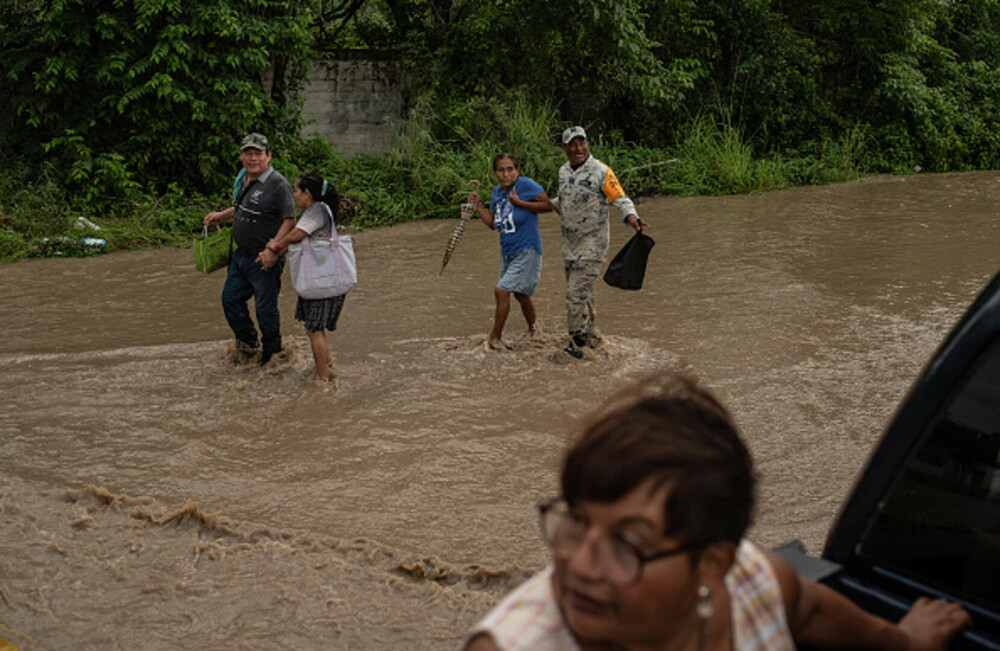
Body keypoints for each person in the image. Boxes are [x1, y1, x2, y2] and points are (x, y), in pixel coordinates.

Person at [464, 370, 971, 650]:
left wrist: (907, 642)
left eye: (628, 544)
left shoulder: (758, 581)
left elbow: (815, 611)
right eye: (577, 522)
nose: (577, 563)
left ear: (712, 564)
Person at [552, 126, 650, 359]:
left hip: (592, 245)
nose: (578, 148)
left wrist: (633, 219)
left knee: (574, 294)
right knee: (584, 294)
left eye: (581, 143)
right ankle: (592, 336)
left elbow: (620, 198)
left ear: (587, 144)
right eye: (572, 144)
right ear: (565, 148)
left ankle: (577, 344)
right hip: (569, 245)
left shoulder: (601, 171)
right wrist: (527, 203)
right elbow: (561, 201)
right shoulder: (564, 172)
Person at [204, 133, 296, 366]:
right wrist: (221, 216)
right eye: (248, 153)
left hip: (263, 259)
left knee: (265, 310)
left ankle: (273, 355)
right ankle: (249, 345)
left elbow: (289, 220)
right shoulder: (244, 178)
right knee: (230, 300)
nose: (252, 158)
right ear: (241, 156)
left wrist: (274, 248)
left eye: (258, 154)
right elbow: (240, 208)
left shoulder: (278, 184)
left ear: (268, 156)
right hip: (240, 256)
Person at [257, 172, 345, 383]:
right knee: (313, 328)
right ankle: (329, 366)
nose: (294, 195)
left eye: (296, 190)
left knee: (314, 329)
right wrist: (274, 252)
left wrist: (276, 246)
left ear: (308, 193)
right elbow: (299, 242)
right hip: (321, 278)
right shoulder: (317, 210)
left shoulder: (316, 210)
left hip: (320, 280)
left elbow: (297, 235)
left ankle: (322, 378)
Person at [468, 154, 554, 348]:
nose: (506, 174)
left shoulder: (525, 186)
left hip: (527, 249)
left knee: (501, 290)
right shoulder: (497, 193)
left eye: (510, 169)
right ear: (495, 173)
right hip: (507, 252)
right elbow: (493, 224)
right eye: (501, 170)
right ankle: (535, 332)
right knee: (521, 295)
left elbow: (548, 206)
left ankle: (495, 338)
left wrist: (520, 203)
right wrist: (478, 206)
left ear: (517, 170)